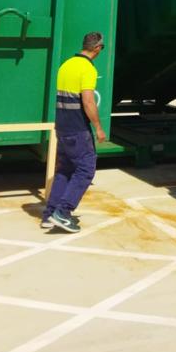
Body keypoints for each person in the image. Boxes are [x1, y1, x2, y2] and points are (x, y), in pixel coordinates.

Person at [41, 32, 107, 233]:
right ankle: (63, 211)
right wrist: (98, 127)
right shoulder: (87, 69)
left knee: (65, 170)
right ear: (97, 48)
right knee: (86, 169)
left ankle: (49, 214)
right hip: (78, 128)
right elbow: (88, 101)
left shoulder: (66, 65)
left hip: (62, 126)